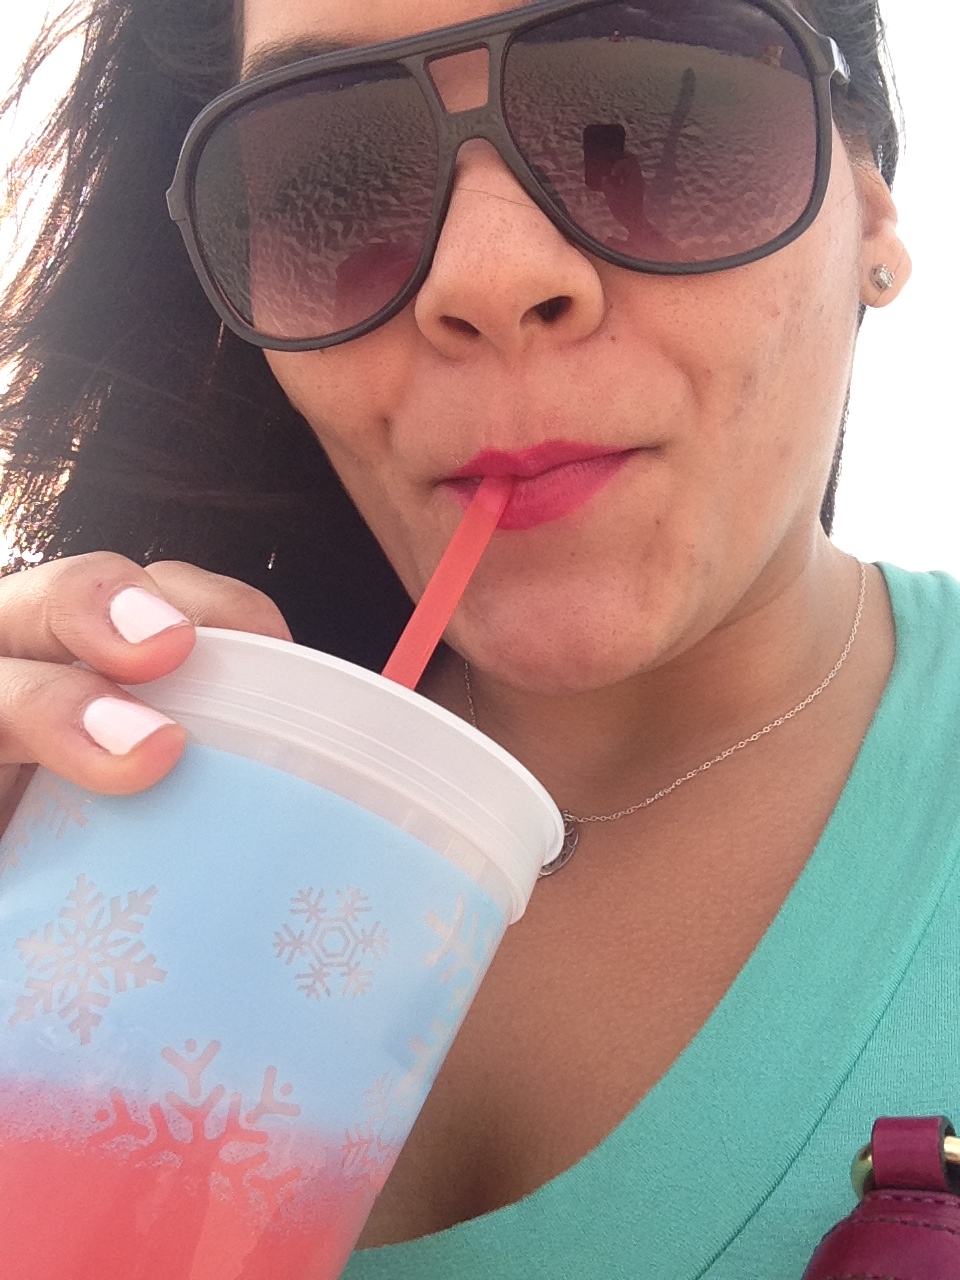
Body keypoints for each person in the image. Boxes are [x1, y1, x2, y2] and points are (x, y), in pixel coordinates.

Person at [1, 0, 957, 1275]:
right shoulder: (89, 812)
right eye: (327, 179)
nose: (487, 276)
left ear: (871, 212)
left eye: (647, 121)